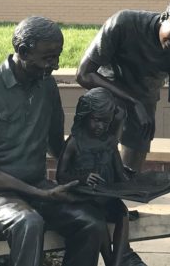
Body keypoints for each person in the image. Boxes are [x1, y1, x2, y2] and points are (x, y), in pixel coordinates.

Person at [0, 16, 108, 266]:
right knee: (28, 222)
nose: (56, 65)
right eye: (48, 58)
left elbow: (57, 147)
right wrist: (40, 192)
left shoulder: (47, 87)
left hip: (36, 188)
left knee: (90, 222)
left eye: (57, 56)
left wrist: (88, 174)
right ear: (22, 51)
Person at [77, 0, 170, 173]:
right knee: (98, 163)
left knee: (130, 171)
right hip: (107, 93)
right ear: (164, 17)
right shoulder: (124, 23)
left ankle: (125, 190)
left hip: (144, 102)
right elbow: (84, 74)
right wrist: (133, 101)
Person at [57, 87, 129, 266]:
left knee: (123, 214)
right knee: (97, 217)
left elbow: (120, 173)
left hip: (107, 195)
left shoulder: (109, 141)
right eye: (96, 120)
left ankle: (117, 262)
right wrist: (82, 178)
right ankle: (110, 261)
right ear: (85, 115)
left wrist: (136, 185)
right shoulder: (75, 142)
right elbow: (61, 175)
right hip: (85, 197)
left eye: (106, 122)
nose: (101, 127)